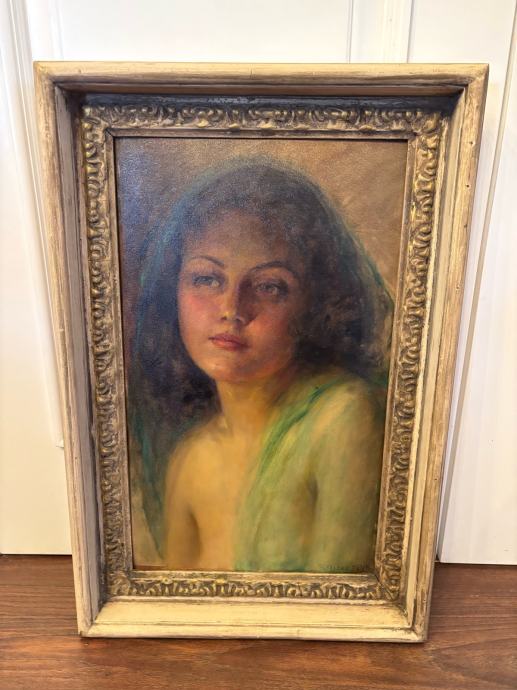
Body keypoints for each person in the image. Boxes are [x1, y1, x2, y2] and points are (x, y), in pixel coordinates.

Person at [129, 158, 393, 573]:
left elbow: (338, 600)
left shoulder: (342, 419)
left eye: (269, 286)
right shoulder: (192, 460)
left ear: (313, 305)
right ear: (173, 288)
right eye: (207, 279)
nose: (232, 309)